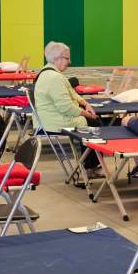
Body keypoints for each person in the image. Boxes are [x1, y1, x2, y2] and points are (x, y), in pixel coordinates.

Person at [34, 41, 100, 178]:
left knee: (93, 122)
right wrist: (85, 114)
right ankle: (90, 167)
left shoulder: (49, 72)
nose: (70, 62)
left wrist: (85, 103)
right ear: (56, 58)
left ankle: (90, 165)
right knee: (95, 126)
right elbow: (66, 107)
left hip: (49, 119)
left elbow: (71, 92)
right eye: (67, 58)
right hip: (54, 122)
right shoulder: (54, 77)